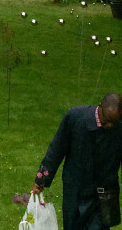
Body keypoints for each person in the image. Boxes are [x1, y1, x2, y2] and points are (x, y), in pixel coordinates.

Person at [31, 93, 122, 230]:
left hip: (103, 197)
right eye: (106, 121)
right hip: (75, 194)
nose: (109, 125)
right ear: (100, 106)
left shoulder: (119, 127)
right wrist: (41, 180)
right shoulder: (75, 118)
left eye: (113, 123)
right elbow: (56, 149)